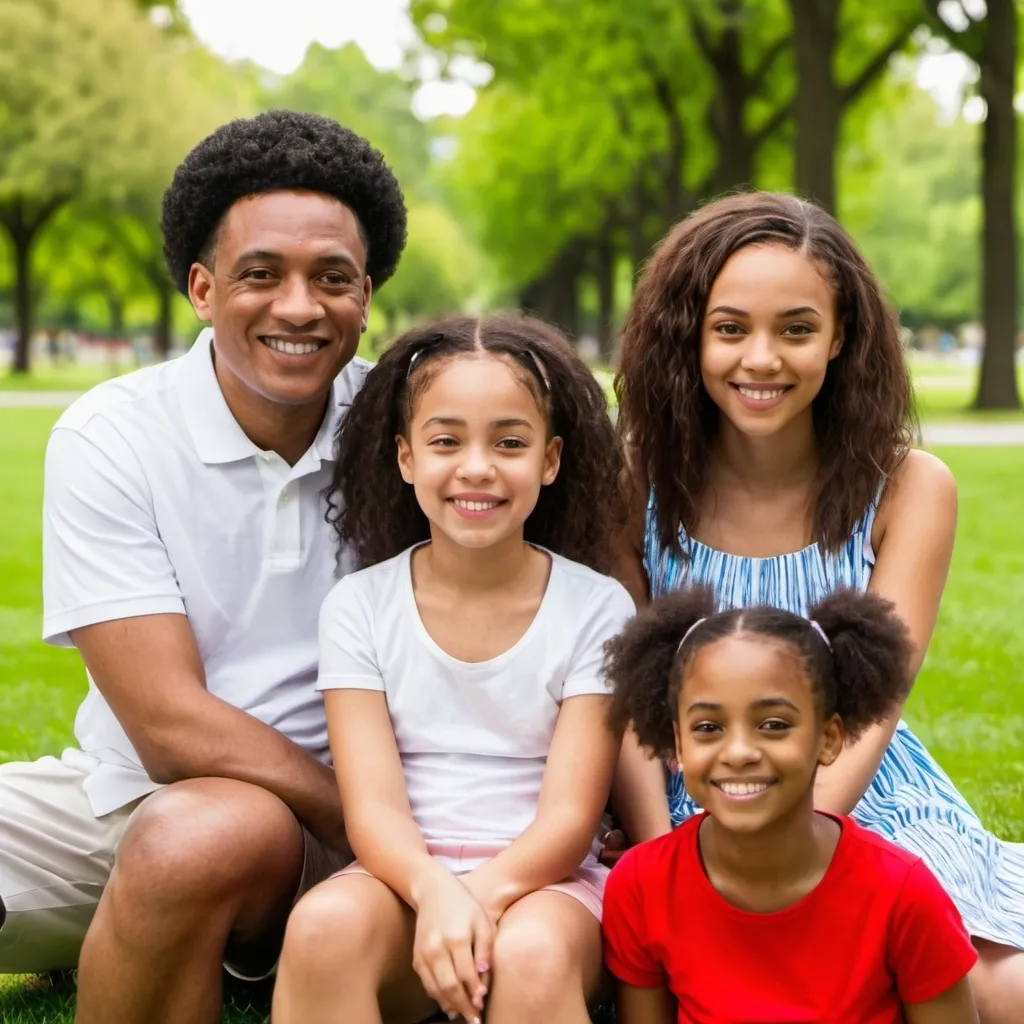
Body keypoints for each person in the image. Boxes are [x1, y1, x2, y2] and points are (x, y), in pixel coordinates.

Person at [0, 110, 407, 1024]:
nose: (299, 307)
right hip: (125, 800)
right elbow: (168, 728)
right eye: (261, 274)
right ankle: (160, 936)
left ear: (368, 294)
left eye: (332, 278)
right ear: (202, 287)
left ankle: (203, 938)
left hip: (294, 832)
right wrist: (358, 820)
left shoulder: (412, 431)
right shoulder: (113, 434)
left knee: (201, 838)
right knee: (180, 831)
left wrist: (377, 829)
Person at [611, 190, 1024, 1022]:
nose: (760, 358)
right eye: (730, 329)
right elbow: (624, 703)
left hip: (856, 792)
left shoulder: (907, 487)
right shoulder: (634, 483)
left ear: (841, 338)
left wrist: (808, 854)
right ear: (689, 334)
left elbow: (876, 707)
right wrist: (672, 864)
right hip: (688, 793)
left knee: (997, 990)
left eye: (796, 330)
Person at [271, 314, 635, 1024]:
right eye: (446, 441)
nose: (477, 466)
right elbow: (371, 810)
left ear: (550, 460)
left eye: (509, 442)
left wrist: (480, 895)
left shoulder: (595, 607)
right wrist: (436, 891)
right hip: (403, 877)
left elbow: (569, 818)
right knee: (320, 929)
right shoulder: (359, 607)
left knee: (529, 956)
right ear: (406, 458)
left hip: (547, 886)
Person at [601, 584, 980, 1023]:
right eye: (708, 726)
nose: (739, 751)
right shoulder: (642, 886)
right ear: (678, 744)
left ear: (829, 738)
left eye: (774, 724)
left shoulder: (903, 896)